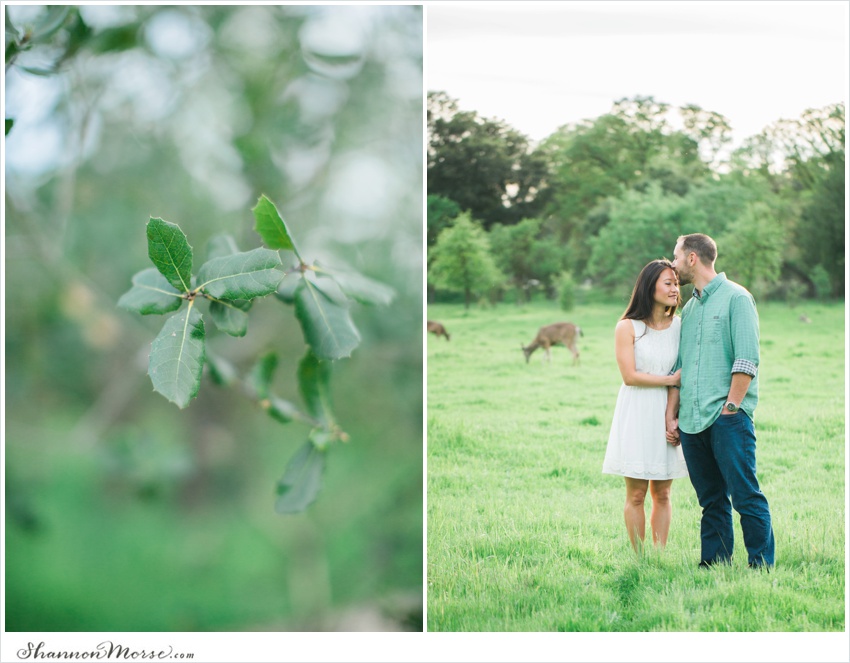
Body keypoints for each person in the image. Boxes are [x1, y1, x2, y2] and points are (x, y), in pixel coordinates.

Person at [665, 233, 775, 569]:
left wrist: (731, 409)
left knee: (745, 494)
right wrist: (673, 415)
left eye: (676, 256)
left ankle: (761, 565)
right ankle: (714, 565)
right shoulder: (692, 306)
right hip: (693, 421)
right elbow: (681, 366)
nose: (673, 263)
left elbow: (746, 361)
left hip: (727, 418)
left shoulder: (737, 298)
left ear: (693, 259)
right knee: (711, 499)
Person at [602, 259, 687, 552]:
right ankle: (639, 558)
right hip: (637, 412)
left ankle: (659, 553)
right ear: (649, 286)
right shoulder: (628, 327)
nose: (675, 289)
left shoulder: (679, 326)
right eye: (668, 282)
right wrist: (669, 379)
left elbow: (680, 375)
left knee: (662, 492)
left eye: (677, 283)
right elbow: (629, 376)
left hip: (668, 412)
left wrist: (672, 414)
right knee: (636, 494)